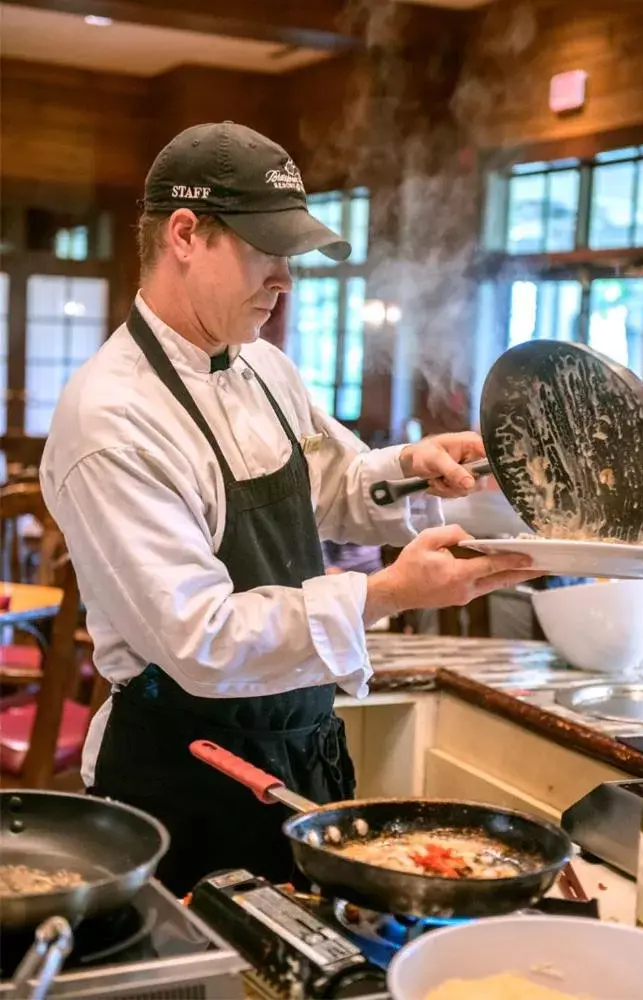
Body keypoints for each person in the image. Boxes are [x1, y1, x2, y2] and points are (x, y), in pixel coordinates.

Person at [40, 122, 536, 897]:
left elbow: (332, 483)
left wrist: (412, 466)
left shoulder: (263, 367)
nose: (286, 281)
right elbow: (199, 638)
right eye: (266, 251)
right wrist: (390, 594)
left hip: (302, 747)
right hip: (185, 775)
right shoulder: (110, 420)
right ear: (184, 234)